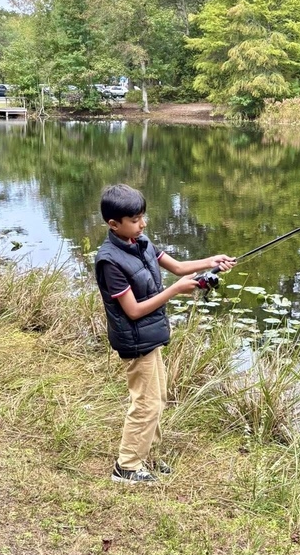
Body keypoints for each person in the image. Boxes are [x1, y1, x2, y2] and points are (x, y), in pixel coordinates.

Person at [94, 183, 236, 484]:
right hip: (134, 340)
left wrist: (212, 262)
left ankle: (145, 456)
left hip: (150, 335)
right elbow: (132, 310)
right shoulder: (110, 261)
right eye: (135, 220)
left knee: (157, 397)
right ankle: (127, 467)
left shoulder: (140, 242)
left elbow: (180, 267)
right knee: (145, 402)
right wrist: (174, 290)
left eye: (143, 217)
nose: (142, 224)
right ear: (113, 224)